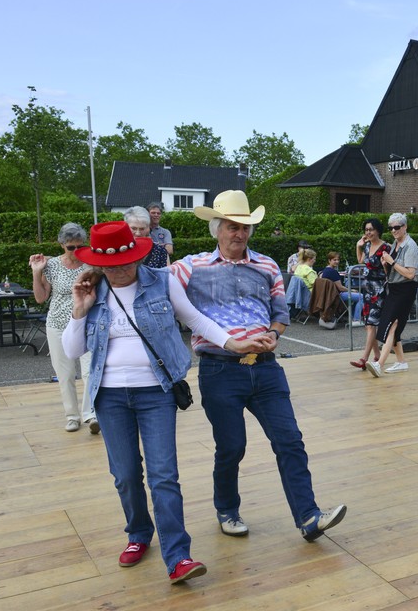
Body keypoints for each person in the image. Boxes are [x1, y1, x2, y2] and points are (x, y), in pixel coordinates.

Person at [62, 221, 265, 584]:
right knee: (124, 476)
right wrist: (79, 309)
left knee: (163, 476)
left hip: (156, 392)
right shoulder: (91, 290)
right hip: (108, 396)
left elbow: (195, 318)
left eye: (126, 262)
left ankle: (178, 556)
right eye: (110, 265)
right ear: (99, 264)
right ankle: (139, 533)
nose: (119, 270)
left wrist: (233, 343)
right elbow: (73, 351)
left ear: (136, 255)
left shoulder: (162, 281)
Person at [169, 190, 347, 543]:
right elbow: (148, 282)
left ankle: (309, 517)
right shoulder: (190, 266)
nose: (240, 234)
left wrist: (272, 335)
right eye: (233, 227)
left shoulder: (266, 265)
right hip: (220, 370)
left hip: (265, 366)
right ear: (217, 229)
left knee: (290, 441)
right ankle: (227, 509)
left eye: (245, 227)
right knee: (232, 447)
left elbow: (280, 315)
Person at [28, 223, 95, 433]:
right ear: (61, 245)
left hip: (85, 321)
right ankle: (72, 416)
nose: (76, 251)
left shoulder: (91, 264)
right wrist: (37, 273)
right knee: (64, 373)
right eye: (71, 247)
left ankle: (91, 413)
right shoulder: (52, 265)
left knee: (90, 370)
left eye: (79, 246)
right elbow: (40, 298)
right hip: (57, 322)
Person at [365, 213, 418, 376]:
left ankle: (379, 364)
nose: (394, 231)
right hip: (394, 288)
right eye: (391, 228)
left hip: (406, 289)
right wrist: (385, 265)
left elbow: (410, 274)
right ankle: (401, 362)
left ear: (405, 227)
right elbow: (391, 271)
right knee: (388, 325)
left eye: (397, 227)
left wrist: (392, 262)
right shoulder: (396, 244)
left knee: (393, 325)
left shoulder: (410, 246)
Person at [350, 218, 389, 369]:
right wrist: (358, 246)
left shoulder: (385, 247)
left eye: (371, 229)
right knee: (368, 324)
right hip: (367, 288)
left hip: (378, 289)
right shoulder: (367, 246)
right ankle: (377, 355)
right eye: (366, 230)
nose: (368, 232)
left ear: (378, 230)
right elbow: (361, 260)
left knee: (371, 324)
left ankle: (363, 358)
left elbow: (389, 269)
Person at [319, 252, 364, 327]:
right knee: (361, 296)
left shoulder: (325, 271)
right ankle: (356, 319)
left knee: (355, 296)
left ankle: (352, 318)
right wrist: (351, 290)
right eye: (334, 260)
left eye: (338, 260)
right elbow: (340, 288)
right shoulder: (333, 272)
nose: (337, 261)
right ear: (329, 260)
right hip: (337, 295)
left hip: (329, 295)